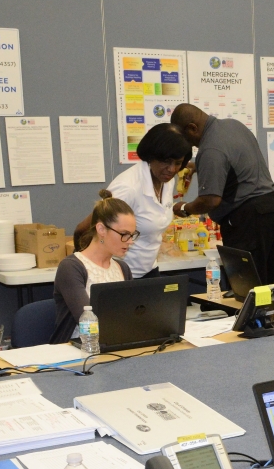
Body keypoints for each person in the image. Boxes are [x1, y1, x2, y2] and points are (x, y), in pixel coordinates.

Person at [170, 104, 274, 285]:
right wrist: (200, 167)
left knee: (249, 288)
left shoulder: (210, 149)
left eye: (184, 137)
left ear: (192, 128)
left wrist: (185, 208)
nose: (186, 144)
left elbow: (210, 200)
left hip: (250, 220)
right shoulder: (233, 125)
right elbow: (235, 165)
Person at [104, 124, 193, 277]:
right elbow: (92, 230)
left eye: (177, 163)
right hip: (120, 274)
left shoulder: (166, 180)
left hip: (148, 269)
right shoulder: (128, 188)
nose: (171, 169)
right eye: (166, 161)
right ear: (151, 156)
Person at [52, 191, 137, 344]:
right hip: (77, 350)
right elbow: (87, 324)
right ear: (101, 229)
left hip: (114, 344)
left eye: (132, 235)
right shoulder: (72, 267)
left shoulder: (122, 268)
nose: (130, 241)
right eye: (124, 234)